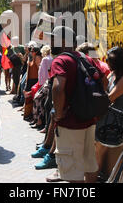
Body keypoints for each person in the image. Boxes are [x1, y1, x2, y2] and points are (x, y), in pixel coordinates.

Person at [47, 27, 108, 183]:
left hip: (70, 124)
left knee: (73, 173)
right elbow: (104, 81)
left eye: (53, 38)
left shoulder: (60, 60)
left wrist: (59, 114)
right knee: (90, 164)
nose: (51, 41)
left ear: (62, 41)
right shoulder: (86, 58)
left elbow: (58, 87)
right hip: (89, 121)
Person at [95, 46, 123, 177]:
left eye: (109, 59)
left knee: (98, 148)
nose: (107, 61)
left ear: (119, 62)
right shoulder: (114, 74)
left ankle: (92, 177)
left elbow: (109, 98)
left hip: (116, 119)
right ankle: (94, 174)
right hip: (107, 114)